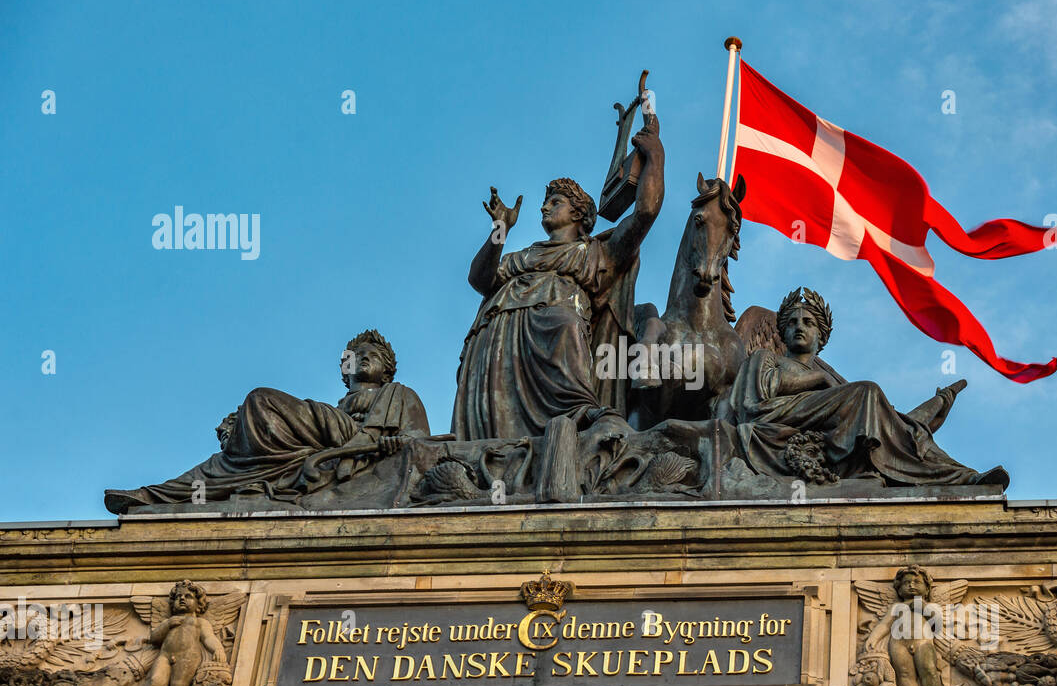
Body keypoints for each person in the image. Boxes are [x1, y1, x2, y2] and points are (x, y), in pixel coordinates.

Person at [452, 115, 664, 441]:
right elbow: (479, 280)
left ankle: (581, 420)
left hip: (554, 335)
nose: (543, 208)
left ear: (579, 212)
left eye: (555, 202)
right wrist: (500, 229)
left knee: (564, 325)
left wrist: (655, 156)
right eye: (545, 202)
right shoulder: (523, 256)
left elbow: (644, 213)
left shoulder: (596, 253)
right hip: (497, 340)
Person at [104, 329, 429, 512]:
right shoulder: (338, 407)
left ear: (387, 368)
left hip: (352, 442)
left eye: (373, 354)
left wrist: (393, 442)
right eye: (356, 355)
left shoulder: (400, 395)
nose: (363, 358)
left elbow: (421, 444)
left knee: (261, 400)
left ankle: (250, 445)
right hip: (321, 448)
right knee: (223, 462)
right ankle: (155, 495)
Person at [727, 287, 1008, 488]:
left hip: (820, 425)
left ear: (820, 336)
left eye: (808, 322)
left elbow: (886, 421)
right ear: (783, 333)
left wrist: (935, 405)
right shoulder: (766, 358)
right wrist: (819, 381)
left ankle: (961, 477)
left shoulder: (832, 376)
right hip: (775, 415)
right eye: (792, 323)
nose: (799, 327)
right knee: (867, 392)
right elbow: (756, 395)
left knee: (911, 432)